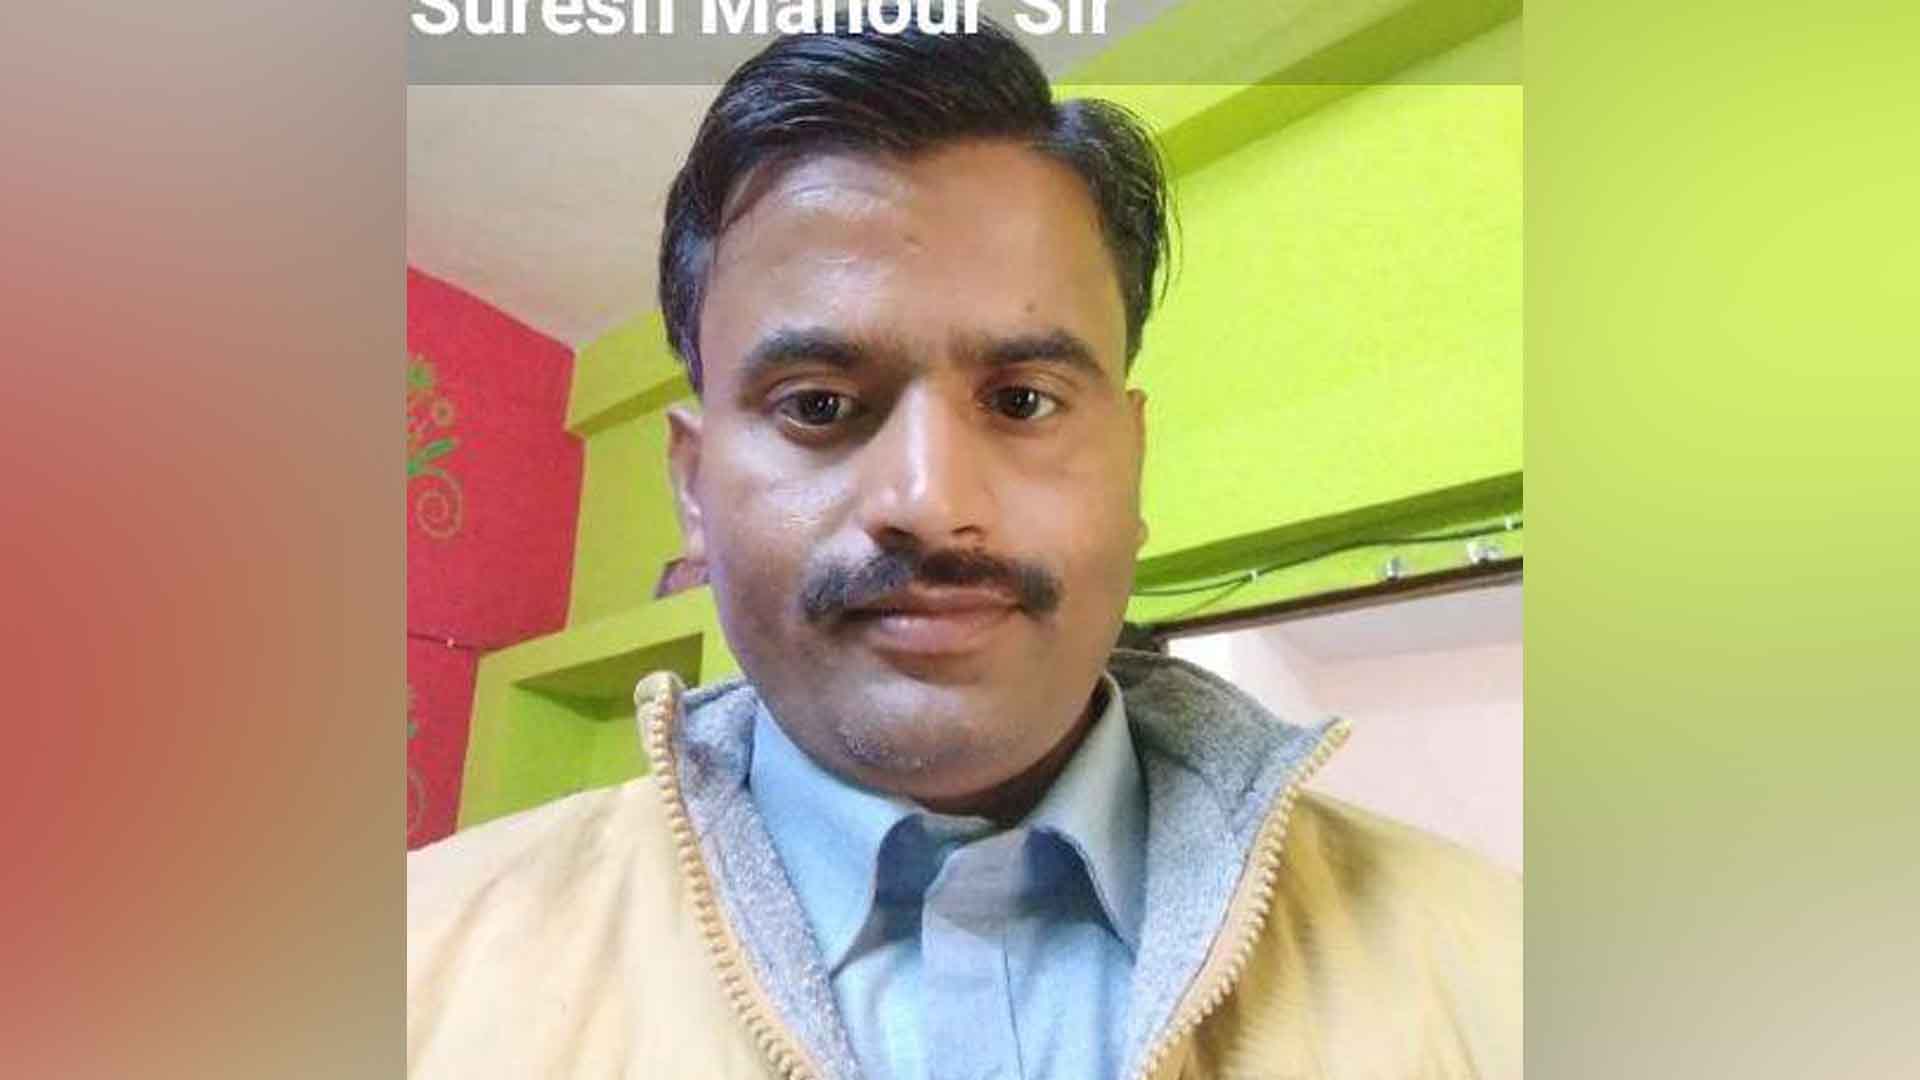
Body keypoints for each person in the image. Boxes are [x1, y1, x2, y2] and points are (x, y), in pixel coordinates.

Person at [407, 17, 1519, 1080]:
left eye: (1024, 401)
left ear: (1132, 460)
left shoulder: (1511, 972)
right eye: (818, 404)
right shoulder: (409, 969)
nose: (931, 504)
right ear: (693, 487)